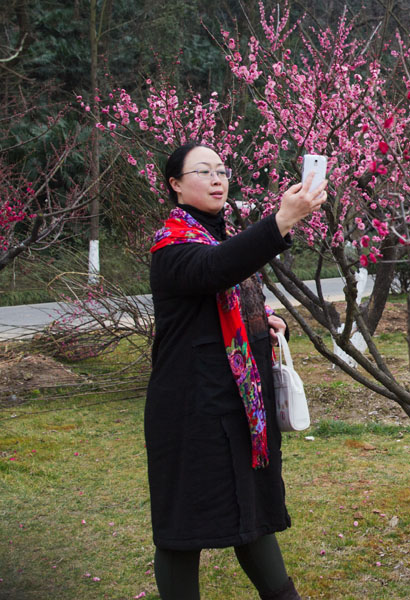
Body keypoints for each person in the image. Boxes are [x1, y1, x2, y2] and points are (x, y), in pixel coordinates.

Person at [146, 141, 327, 600]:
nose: (216, 178)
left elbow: (226, 289)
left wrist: (260, 322)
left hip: (239, 409)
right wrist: (282, 221)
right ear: (175, 185)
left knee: (252, 513)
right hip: (190, 412)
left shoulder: (220, 237)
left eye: (222, 170)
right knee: (182, 528)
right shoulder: (172, 248)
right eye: (203, 171)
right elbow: (212, 271)